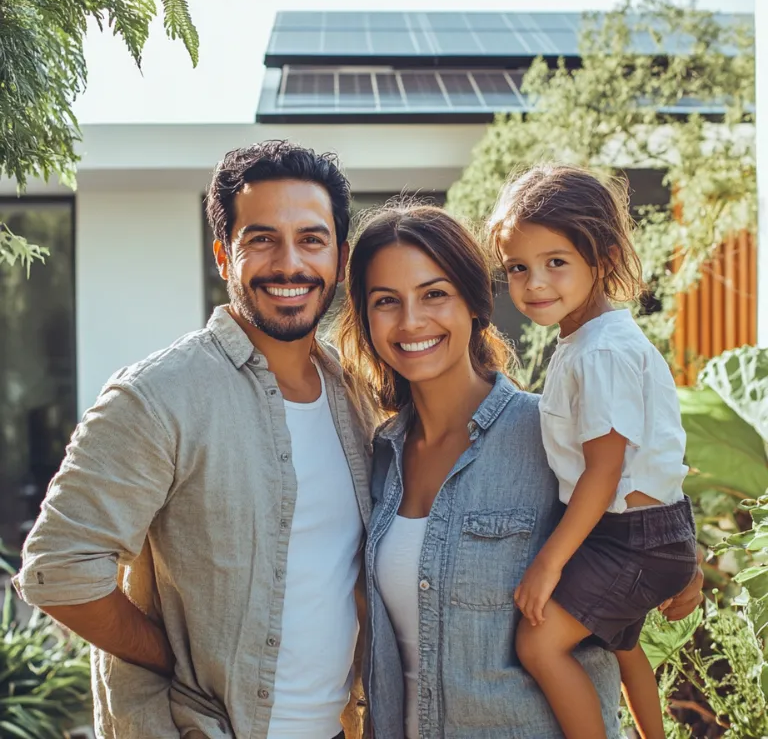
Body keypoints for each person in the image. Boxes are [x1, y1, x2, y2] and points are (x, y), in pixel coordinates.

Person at [13, 141, 375, 739]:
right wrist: (173, 660)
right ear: (222, 256)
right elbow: (58, 570)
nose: (290, 264)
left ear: (338, 254)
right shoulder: (160, 394)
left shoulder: (356, 395)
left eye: (312, 239)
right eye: (261, 239)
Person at [335, 203, 702, 739]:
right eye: (386, 301)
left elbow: (635, 517)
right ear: (366, 319)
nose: (411, 321)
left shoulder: (547, 437)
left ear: (474, 303)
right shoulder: (376, 457)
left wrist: (686, 562)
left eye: (434, 294)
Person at [488, 165, 698, 739]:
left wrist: (547, 564)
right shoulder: (593, 338)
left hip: (629, 538)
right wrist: (688, 556)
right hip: (652, 530)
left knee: (538, 642)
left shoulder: (599, 353)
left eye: (556, 262)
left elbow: (604, 474)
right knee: (624, 645)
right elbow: (659, 457)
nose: (534, 284)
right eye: (518, 268)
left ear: (600, 258)